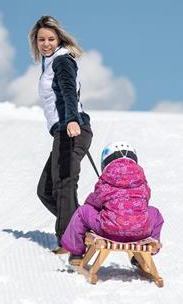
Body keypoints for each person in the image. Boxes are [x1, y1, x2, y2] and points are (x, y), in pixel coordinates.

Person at [29, 15, 93, 251]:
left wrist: (72, 120)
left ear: (59, 39)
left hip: (73, 128)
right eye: (41, 39)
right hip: (62, 130)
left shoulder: (62, 61)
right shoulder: (49, 62)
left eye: (50, 39)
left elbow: (68, 91)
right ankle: (81, 227)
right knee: (46, 189)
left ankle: (70, 241)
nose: (46, 43)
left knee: (64, 183)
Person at [60, 142, 164, 265]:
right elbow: (145, 200)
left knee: (82, 211)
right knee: (155, 213)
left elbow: (94, 202)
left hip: (109, 232)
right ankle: (148, 248)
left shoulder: (106, 181)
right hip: (140, 232)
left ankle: (76, 253)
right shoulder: (141, 180)